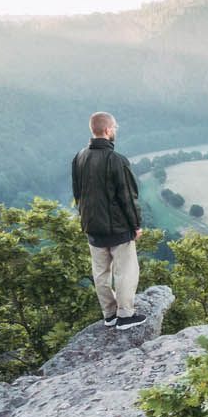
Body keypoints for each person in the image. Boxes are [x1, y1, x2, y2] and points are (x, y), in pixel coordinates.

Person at [71, 111, 145, 329]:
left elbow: (78, 194)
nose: (115, 131)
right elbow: (128, 198)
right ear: (108, 130)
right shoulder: (116, 160)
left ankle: (109, 315)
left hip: (92, 227)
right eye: (115, 128)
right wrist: (136, 225)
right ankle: (125, 316)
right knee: (126, 271)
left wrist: (86, 219)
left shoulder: (79, 157)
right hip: (118, 229)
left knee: (100, 273)